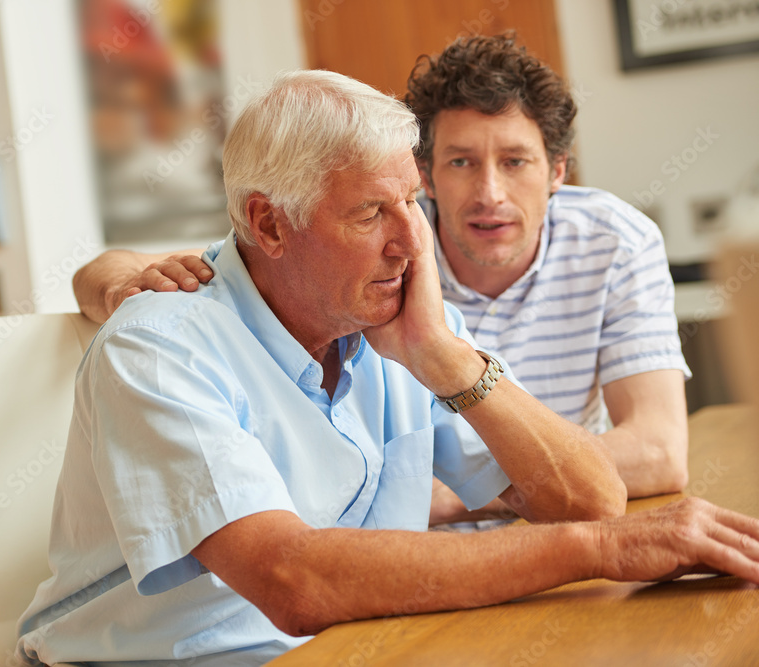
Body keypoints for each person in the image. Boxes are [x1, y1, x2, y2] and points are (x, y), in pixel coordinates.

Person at [18, 70, 759, 667]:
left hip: (361, 644)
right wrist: (600, 551)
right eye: (373, 213)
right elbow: (293, 579)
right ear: (270, 222)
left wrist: (445, 355)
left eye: (413, 199)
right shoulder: (159, 348)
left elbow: (589, 499)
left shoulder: (397, 322)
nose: (416, 240)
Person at [72, 35, 691, 524]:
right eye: (459, 163)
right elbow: (222, 270)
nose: (489, 195)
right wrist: (119, 283)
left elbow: (611, 486)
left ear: (558, 171)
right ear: (432, 173)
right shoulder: (303, 272)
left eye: (515, 161)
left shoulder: (410, 298)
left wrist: (444, 363)